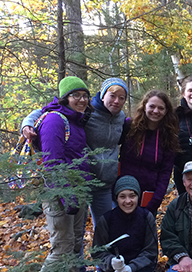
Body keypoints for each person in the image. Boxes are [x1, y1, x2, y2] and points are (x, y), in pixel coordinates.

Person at [22, 77, 128, 227]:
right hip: (82, 180)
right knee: (73, 233)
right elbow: (45, 111)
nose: (116, 101)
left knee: (103, 228)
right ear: (102, 95)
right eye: (112, 96)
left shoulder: (121, 118)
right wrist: (27, 124)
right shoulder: (86, 111)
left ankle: (101, 252)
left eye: (121, 98)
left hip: (103, 183)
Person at [27, 76, 92, 272]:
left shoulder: (77, 121)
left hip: (78, 192)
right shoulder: (55, 120)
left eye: (85, 95)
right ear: (65, 97)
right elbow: (52, 163)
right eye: (76, 95)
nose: (81, 100)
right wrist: (67, 195)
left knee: (75, 245)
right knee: (62, 248)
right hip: (59, 195)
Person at [93, 175, 158, 272]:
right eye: (122, 196)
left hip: (139, 266)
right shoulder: (106, 220)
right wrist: (112, 262)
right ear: (116, 198)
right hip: (114, 270)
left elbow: (150, 250)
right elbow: (97, 253)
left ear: (138, 197)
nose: (128, 201)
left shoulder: (146, 217)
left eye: (132, 196)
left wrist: (131, 267)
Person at [118, 90, 179, 216]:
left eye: (161, 108)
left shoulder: (169, 136)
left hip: (149, 198)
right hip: (123, 195)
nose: (156, 111)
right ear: (144, 106)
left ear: (166, 111)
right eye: (152, 106)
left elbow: (165, 172)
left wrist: (155, 201)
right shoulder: (130, 126)